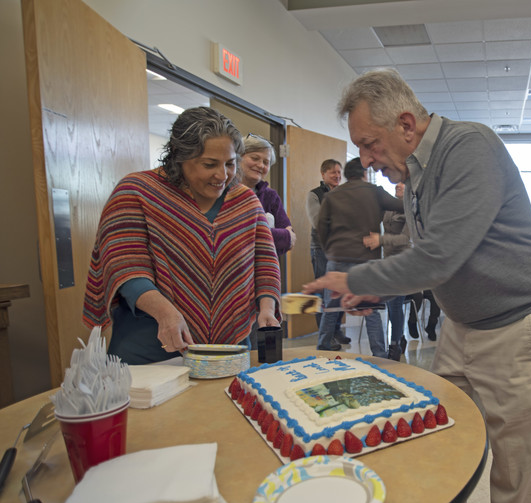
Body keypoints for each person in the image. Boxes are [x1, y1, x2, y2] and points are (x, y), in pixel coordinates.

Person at [304, 69, 531, 503]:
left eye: (370, 144)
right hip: (460, 328)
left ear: (406, 124)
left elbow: (439, 257)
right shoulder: (417, 171)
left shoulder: (469, 147)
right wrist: (379, 286)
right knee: (443, 445)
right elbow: (431, 251)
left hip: (516, 331)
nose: (365, 159)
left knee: (515, 472)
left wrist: (355, 279)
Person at [83, 107, 282, 364]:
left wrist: (267, 307)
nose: (222, 175)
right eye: (209, 164)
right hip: (153, 345)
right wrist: (166, 313)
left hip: (229, 347)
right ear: (178, 157)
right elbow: (125, 267)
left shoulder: (245, 201)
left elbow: (265, 261)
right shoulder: (137, 192)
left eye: (230, 164)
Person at [316, 158, 402, 357]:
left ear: (347, 174)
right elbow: (401, 206)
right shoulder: (375, 191)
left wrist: (329, 250)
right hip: (366, 260)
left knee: (330, 309)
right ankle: (380, 356)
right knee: (370, 310)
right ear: (364, 173)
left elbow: (321, 227)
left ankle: (322, 351)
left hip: (337, 259)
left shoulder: (333, 194)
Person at [363, 182, 409, 360]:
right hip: (387, 261)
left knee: (396, 304)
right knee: (392, 304)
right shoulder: (389, 207)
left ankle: (395, 345)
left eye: (402, 183)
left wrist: (381, 240)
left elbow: (405, 238)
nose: (398, 185)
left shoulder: (411, 209)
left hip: (403, 262)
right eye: (397, 183)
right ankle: (400, 338)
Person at [307, 159, 350, 347]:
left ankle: (336, 329)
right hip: (321, 249)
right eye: (333, 172)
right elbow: (318, 221)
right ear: (323, 174)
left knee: (338, 290)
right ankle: (325, 335)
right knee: (323, 293)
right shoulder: (314, 195)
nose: (337, 176)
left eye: (339, 172)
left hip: (340, 250)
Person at [240, 133, 295, 256]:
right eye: (254, 158)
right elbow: (234, 235)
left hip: (266, 270)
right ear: (239, 157)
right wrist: (277, 235)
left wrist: (255, 235)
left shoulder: (271, 196)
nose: (260, 165)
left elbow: (289, 240)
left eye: (266, 162)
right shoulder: (224, 191)